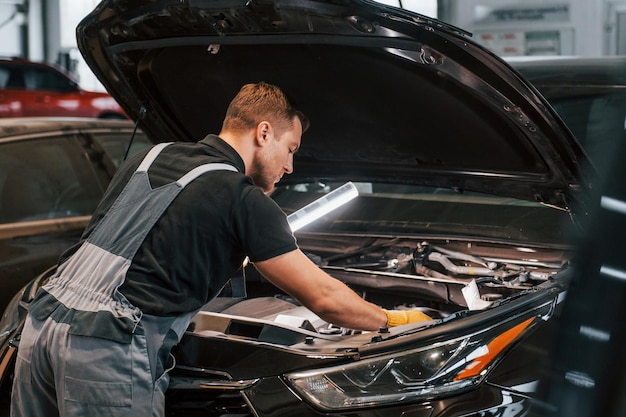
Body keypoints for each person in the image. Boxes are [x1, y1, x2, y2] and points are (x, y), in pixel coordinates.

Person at [10, 82, 431, 417]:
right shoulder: (242, 197)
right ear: (264, 132)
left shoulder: (151, 156)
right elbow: (323, 298)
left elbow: (136, 242)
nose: (290, 167)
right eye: (290, 150)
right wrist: (391, 319)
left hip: (39, 332)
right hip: (106, 352)